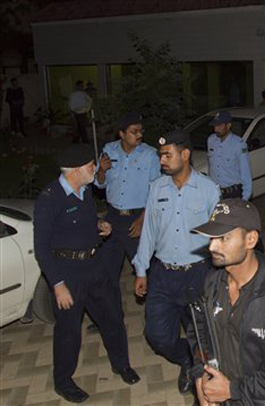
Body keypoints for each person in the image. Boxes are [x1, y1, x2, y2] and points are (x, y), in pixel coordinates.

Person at [33, 144, 139, 403]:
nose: (96, 168)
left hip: (96, 265)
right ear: (78, 170)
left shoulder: (85, 191)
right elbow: (42, 248)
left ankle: (121, 364)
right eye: (92, 165)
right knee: (69, 330)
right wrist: (57, 284)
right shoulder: (50, 198)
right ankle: (63, 381)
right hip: (68, 273)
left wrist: (99, 224)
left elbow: (86, 221)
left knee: (113, 317)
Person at [191, 198, 265, 405]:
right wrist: (201, 375)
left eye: (223, 238)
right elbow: (199, 333)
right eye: (211, 238)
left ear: (251, 240)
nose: (212, 246)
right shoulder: (211, 282)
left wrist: (232, 389)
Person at [132, 130, 220, 395]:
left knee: (202, 336)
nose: (162, 161)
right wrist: (141, 270)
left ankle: (197, 371)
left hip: (198, 274)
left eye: (167, 155)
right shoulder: (157, 187)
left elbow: (219, 236)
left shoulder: (209, 189)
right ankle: (186, 358)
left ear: (185, 154)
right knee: (157, 335)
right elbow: (148, 231)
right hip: (163, 274)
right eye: (161, 155)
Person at [91, 113, 160, 332]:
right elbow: (99, 185)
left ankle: (157, 319)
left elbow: (156, 190)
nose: (139, 135)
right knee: (107, 273)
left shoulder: (150, 155)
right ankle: (111, 318)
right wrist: (101, 170)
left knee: (145, 270)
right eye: (134, 131)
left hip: (137, 217)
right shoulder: (109, 150)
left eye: (140, 130)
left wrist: (142, 219)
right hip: (112, 218)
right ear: (122, 134)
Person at [207, 111, 252, 200]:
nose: (216, 129)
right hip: (215, 193)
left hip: (232, 194)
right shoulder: (211, 140)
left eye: (220, 126)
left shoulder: (238, 144)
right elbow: (210, 167)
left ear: (228, 125)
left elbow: (246, 174)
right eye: (215, 126)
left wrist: (245, 199)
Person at [68, 80, 93, 144]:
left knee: (81, 127)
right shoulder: (74, 95)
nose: (81, 87)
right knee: (80, 127)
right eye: (80, 86)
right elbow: (70, 104)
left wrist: (87, 110)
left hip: (82, 113)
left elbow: (89, 102)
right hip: (77, 113)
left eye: (82, 86)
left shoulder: (84, 94)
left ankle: (78, 140)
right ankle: (82, 140)